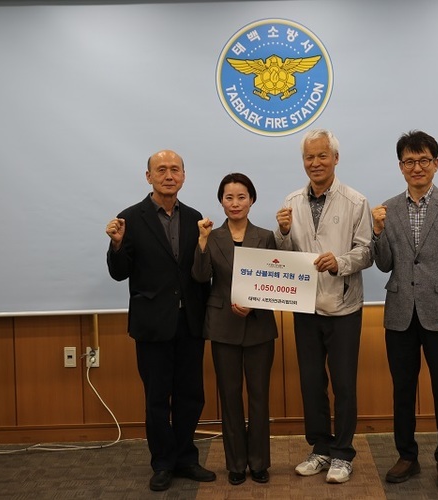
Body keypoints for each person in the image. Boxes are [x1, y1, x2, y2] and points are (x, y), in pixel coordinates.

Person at [371, 130, 438, 489]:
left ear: (436, 163)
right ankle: (407, 456)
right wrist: (377, 232)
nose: (416, 167)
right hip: (400, 313)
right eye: (409, 161)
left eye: (423, 160)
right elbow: (384, 264)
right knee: (402, 391)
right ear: (400, 166)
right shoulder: (388, 208)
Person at [105, 150, 216, 492]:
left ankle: (186, 457)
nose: (169, 175)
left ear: (184, 175)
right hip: (152, 323)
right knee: (157, 398)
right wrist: (116, 246)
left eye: (175, 170)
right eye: (162, 170)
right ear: (148, 176)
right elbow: (119, 273)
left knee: (190, 395)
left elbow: (200, 273)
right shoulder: (129, 218)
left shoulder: (195, 218)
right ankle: (163, 462)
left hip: (190, 322)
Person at [274, 128, 373, 484]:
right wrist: (283, 233)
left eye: (322, 156)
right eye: (309, 157)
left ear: (335, 158)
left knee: (343, 384)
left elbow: (367, 252)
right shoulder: (291, 202)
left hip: (343, 306)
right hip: (304, 307)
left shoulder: (356, 201)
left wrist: (340, 262)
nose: (315, 163)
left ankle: (342, 453)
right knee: (311, 382)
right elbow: (284, 258)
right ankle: (320, 448)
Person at [191, 172, 278, 486]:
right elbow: (201, 277)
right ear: (221, 201)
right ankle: (237, 464)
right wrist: (201, 242)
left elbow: (272, 280)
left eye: (241, 197)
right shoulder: (211, 237)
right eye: (229, 197)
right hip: (223, 326)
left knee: (259, 397)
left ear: (251, 200)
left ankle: (259, 463)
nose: (235, 203)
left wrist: (255, 303)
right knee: (229, 397)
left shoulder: (266, 236)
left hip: (259, 326)